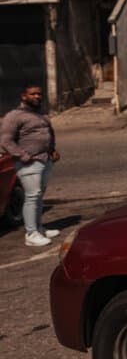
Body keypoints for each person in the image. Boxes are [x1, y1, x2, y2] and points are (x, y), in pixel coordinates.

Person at [0, 84, 61, 247]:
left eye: (39, 94)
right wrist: (24, 156)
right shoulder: (14, 116)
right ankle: (31, 234)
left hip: (45, 159)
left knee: (39, 196)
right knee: (32, 196)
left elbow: (49, 133)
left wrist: (52, 150)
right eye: (33, 94)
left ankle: (39, 228)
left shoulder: (41, 114)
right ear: (24, 96)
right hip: (29, 162)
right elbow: (6, 141)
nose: (37, 96)